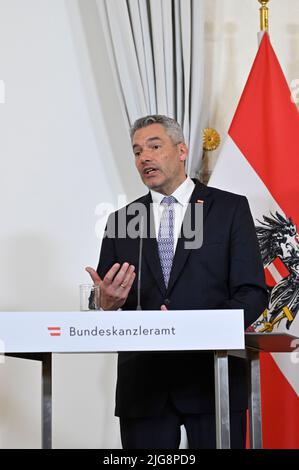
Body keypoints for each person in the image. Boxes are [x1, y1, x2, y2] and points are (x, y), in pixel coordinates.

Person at [86, 115, 268, 449]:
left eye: (154, 146)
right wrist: (104, 302)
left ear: (181, 151)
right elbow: (104, 296)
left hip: (213, 378)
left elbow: (252, 292)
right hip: (143, 385)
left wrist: (203, 329)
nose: (144, 157)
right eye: (137, 151)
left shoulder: (228, 209)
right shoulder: (122, 220)